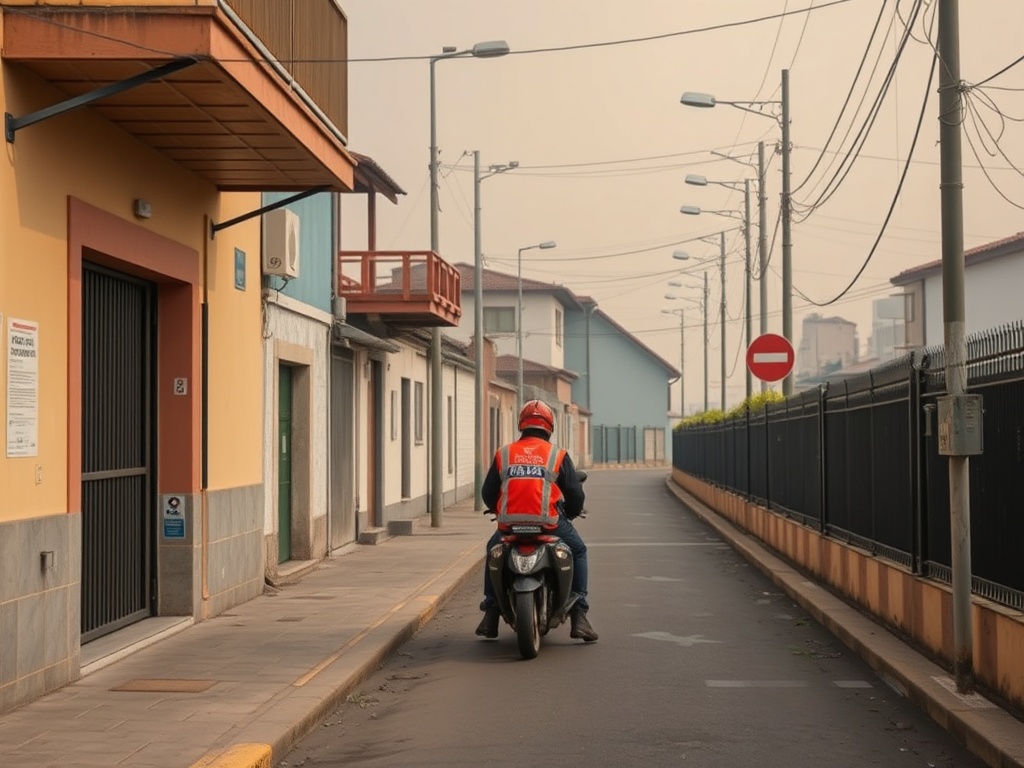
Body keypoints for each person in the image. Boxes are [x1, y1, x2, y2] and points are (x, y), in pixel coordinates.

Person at [475, 399, 598, 642]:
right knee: (579, 551)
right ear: (549, 428)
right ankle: (579, 614)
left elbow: (488, 492)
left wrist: (497, 509)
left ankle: (491, 612)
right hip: (549, 523)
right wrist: (572, 512)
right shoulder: (557, 454)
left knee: (493, 551)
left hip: (509, 525)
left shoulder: (505, 453)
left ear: (521, 425)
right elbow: (574, 493)